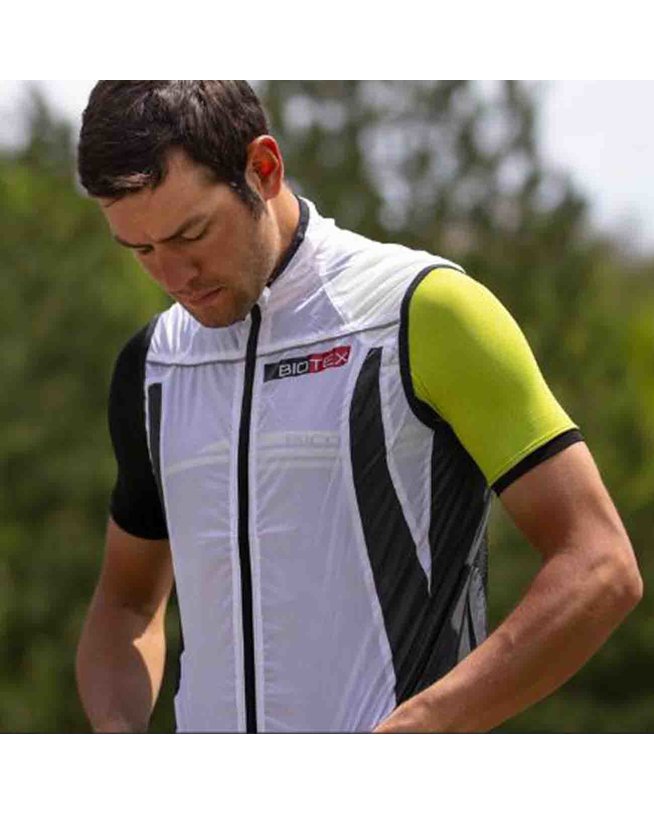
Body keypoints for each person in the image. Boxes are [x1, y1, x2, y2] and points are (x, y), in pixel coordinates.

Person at [75, 81, 642, 734]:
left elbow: (599, 564)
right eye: (142, 250)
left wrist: (414, 732)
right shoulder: (154, 365)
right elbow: (127, 605)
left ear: (263, 168)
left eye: (192, 233)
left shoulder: (425, 311)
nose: (175, 277)